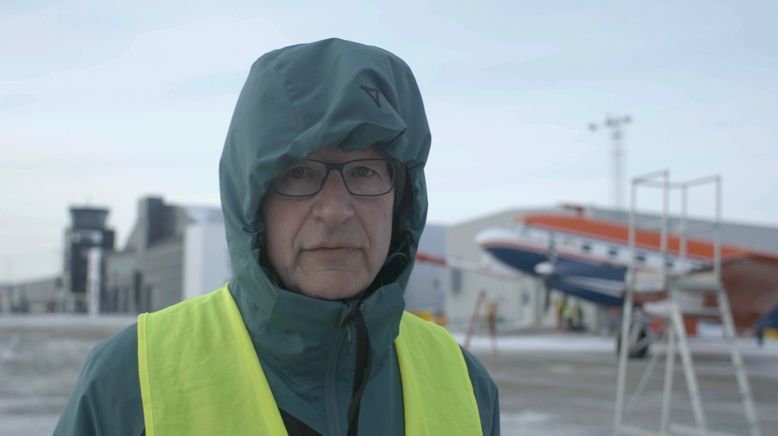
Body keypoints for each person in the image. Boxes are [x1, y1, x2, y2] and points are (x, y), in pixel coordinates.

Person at [55, 38, 500, 436]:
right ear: (254, 203)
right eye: (299, 172)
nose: (335, 211)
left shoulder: (465, 384)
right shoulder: (129, 380)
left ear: (402, 201)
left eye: (364, 172)